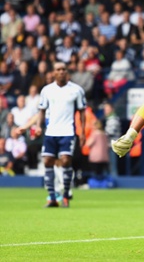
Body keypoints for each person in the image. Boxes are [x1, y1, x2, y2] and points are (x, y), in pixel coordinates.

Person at [36, 62, 86, 208]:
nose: (61, 72)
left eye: (64, 69)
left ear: (67, 72)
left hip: (67, 131)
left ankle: (65, 195)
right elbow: (42, 110)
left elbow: (82, 111)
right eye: (58, 69)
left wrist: (82, 131)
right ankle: (52, 197)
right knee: (47, 162)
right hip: (51, 131)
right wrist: (39, 126)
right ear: (53, 72)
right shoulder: (47, 90)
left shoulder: (76, 90)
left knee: (65, 160)